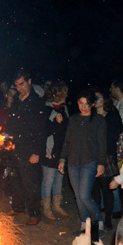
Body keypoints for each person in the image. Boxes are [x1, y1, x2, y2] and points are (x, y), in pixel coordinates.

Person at [59, 89, 107, 234]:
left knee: (84, 195)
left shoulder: (99, 120)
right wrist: (62, 159)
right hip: (73, 162)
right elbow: (67, 141)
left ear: (92, 104)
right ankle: (84, 225)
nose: (83, 107)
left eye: (87, 104)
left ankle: (98, 222)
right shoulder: (74, 119)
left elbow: (102, 143)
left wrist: (101, 163)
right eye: (81, 103)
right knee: (78, 196)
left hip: (90, 161)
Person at [6, 69, 47, 226]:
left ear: (29, 82)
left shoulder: (37, 102)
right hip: (16, 146)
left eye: (22, 84)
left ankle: (35, 213)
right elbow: (12, 121)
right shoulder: (16, 100)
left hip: (30, 148)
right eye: (16, 85)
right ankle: (18, 207)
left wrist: (37, 152)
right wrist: (6, 138)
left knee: (31, 182)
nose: (19, 88)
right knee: (16, 178)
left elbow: (42, 129)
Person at [91, 89, 123, 230]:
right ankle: (97, 219)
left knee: (107, 189)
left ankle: (108, 220)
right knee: (93, 189)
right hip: (91, 156)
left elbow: (118, 130)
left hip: (106, 155)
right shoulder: (90, 114)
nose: (95, 99)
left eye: (97, 96)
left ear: (104, 98)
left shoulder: (112, 114)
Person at [40, 81, 70, 220]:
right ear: (58, 94)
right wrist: (55, 123)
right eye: (64, 93)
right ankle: (46, 208)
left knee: (59, 178)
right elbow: (43, 131)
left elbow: (66, 129)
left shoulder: (63, 108)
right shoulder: (47, 110)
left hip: (61, 150)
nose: (67, 95)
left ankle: (56, 205)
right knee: (48, 180)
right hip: (50, 150)